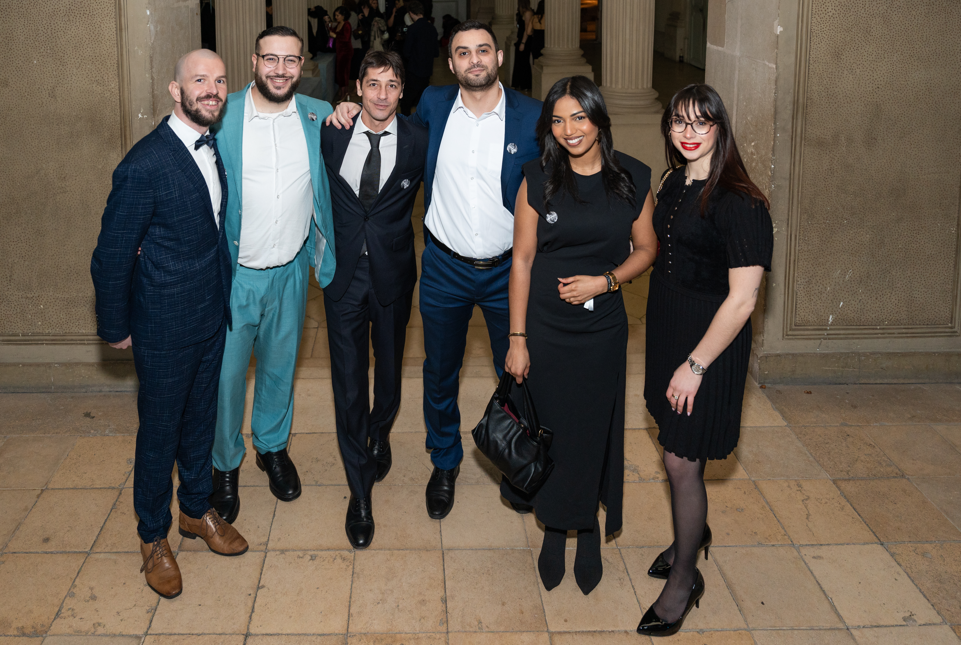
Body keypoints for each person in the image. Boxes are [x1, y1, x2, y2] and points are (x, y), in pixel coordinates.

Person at [327, 20, 542, 520]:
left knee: (516, 371)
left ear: (499, 57)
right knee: (440, 373)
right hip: (445, 267)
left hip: (508, 271)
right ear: (451, 63)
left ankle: (519, 461)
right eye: (463, 52)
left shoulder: (532, 116)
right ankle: (444, 461)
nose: (474, 60)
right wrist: (350, 108)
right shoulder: (433, 105)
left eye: (483, 50)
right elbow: (386, 121)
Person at [90, 49, 249, 600]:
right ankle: (152, 536)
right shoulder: (144, 163)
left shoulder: (211, 144)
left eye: (220, 80)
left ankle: (196, 510)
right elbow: (112, 254)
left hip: (209, 315)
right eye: (199, 80)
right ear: (175, 91)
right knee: (159, 434)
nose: (212, 89)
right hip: (161, 324)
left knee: (200, 421)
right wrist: (116, 325)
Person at [503, 76, 656, 595]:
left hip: (601, 328)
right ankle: (554, 526)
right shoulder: (537, 178)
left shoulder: (633, 177)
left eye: (579, 117)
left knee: (593, 428)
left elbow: (646, 248)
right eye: (558, 120)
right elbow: (521, 261)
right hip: (545, 328)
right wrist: (517, 338)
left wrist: (606, 280)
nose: (569, 130)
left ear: (598, 119)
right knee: (552, 426)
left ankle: (587, 528)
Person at [636, 83, 773, 636]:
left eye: (701, 122)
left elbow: (742, 300)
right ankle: (690, 537)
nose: (688, 133)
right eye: (679, 122)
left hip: (708, 343)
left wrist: (694, 366)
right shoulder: (674, 182)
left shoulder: (741, 203)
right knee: (672, 440)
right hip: (670, 325)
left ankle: (684, 579)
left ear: (721, 128)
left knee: (680, 459)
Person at [207, 26, 335, 525]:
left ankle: (272, 447)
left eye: (291, 60)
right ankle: (224, 464)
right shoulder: (224, 115)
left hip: (292, 270)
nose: (280, 70)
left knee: (281, 368)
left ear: (302, 65)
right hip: (235, 273)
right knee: (226, 378)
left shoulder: (318, 114)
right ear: (254, 61)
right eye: (271, 59)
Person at [322, 50, 429, 548]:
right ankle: (359, 490)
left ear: (402, 91)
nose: (381, 94)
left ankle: (381, 430)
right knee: (348, 384)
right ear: (357, 89)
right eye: (373, 84)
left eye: (391, 85)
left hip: (393, 275)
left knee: (388, 371)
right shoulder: (332, 132)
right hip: (343, 276)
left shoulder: (419, 139)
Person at [401, 0, 438, 116]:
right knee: (422, 100)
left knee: (406, 102)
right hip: (427, 71)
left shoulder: (413, 29)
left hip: (414, 70)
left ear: (411, 13)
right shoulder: (432, 28)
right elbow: (436, 52)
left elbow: (406, 52)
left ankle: (406, 123)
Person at [510, 0, 534, 91]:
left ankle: (526, 85)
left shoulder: (528, 13)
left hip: (525, 40)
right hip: (520, 39)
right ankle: (518, 83)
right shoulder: (521, 13)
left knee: (524, 62)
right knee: (518, 62)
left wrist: (523, 43)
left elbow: (527, 30)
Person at [331, 6, 353, 101]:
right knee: (341, 73)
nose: (336, 17)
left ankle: (344, 94)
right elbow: (332, 31)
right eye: (335, 15)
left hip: (346, 52)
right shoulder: (340, 24)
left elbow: (346, 38)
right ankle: (344, 93)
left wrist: (335, 35)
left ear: (343, 15)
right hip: (340, 52)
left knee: (344, 74)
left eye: (338, 15)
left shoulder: (347, 25)